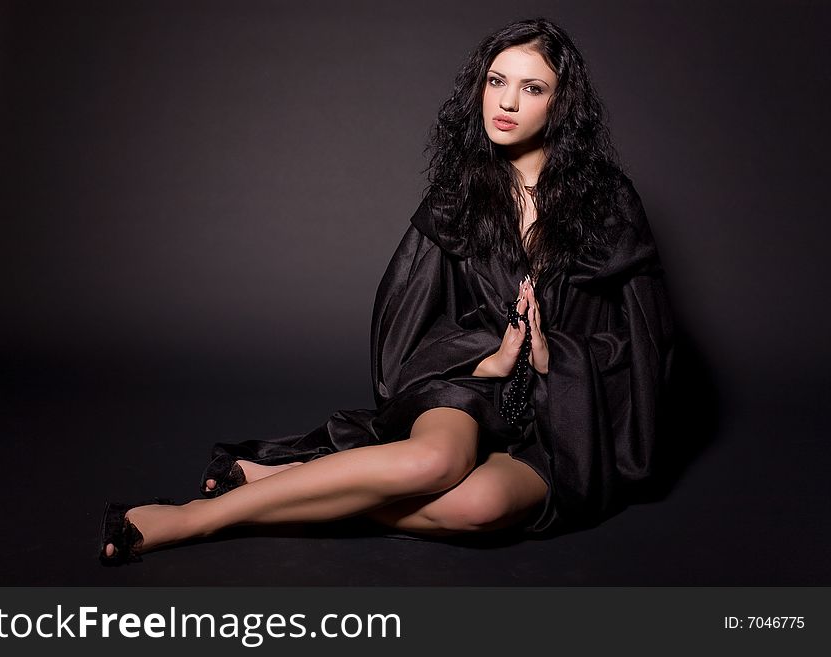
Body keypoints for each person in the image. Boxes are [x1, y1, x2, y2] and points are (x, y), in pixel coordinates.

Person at [99, 17, 674, 565]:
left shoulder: (609, 204)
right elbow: (404, 321)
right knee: (431, 463)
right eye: (497, 81)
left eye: (532, 87)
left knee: (480, 507)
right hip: (470, 386)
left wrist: (556, 356)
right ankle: (199, 518)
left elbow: (645, 346)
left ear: (561, 104)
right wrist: (486, 359)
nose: (506, 103)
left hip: (563, 416)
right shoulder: (460, 196)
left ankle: (287, 487)